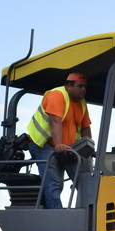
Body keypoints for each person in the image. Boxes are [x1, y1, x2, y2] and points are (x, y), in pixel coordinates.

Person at [26, 72, 93, 209]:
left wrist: (90, 149)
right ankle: (56, 214)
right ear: (69, 86)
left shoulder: (82, 103)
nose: (83, 89)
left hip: (66, 147)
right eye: (80, 86)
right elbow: (55, 120)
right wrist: (58, 145)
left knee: (84, 179)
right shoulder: (57, 95)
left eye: (85, 87)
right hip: (43, 144)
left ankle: (90, 212)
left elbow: (85, 128)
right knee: (54, 183)